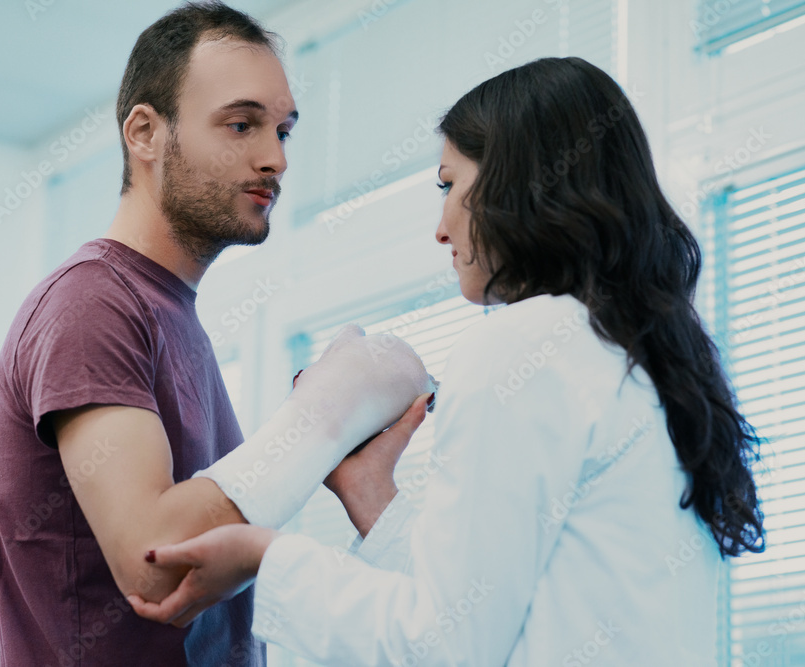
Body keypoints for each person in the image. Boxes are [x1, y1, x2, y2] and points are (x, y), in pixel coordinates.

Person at [129, 56, 767, 666]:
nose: (440, 227)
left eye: (449, 185)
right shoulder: (643, 359)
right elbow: (488, 608)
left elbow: (443, 646)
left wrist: (260, 558)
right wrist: (371, 492)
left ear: (519, 185)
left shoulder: (526, 343)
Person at [0, 2, 434, 666]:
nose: (275, 157)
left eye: (283, 130)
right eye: (242, 124)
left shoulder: (170, 316)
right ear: (144, 132)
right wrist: (333, 404)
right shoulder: (92, 303)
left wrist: (352, 471)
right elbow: (156, 567)